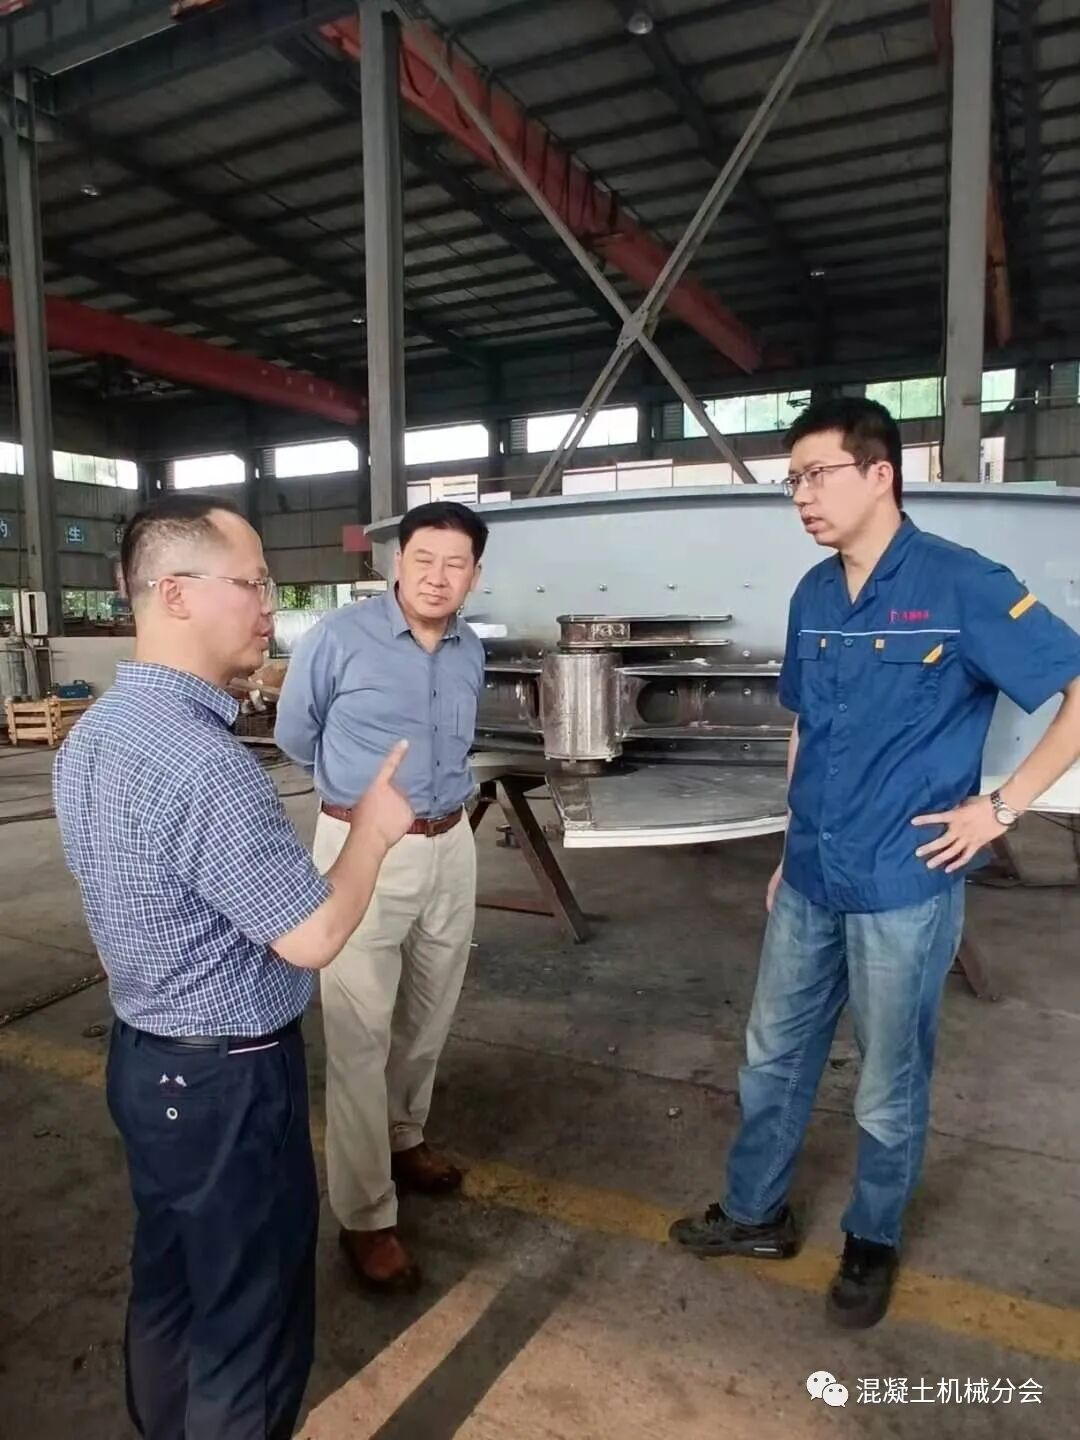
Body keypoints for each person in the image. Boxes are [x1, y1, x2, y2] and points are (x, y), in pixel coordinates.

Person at [670, 397, 1080, 1328]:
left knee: (888, 1080)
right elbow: (806, 727)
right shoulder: (814, 595)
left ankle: (872, 1238)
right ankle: (754, 1213)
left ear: (881, 473)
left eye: (816, 475)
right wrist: (789, 844)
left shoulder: (962, 583)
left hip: (903, 880)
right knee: (772, 1057)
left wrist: (1001, 809)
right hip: (812, 875)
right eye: (792, 482)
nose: (801, 497)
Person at [54, 494, 414, 1440]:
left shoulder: (94, 733)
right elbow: (312, 936)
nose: (269, 606)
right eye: (253, 584)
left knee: (172, 1281)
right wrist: (373, 832)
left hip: (145, 1059)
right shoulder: (206, 764)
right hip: (228, 1079)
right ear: (174, 593)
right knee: (247, 1321)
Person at [275, 499, 488, 1294]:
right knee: (359, 1032)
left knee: (430, 1010)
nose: (437, 576)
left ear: (474, 575)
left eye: (455, 564)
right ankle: (366, 1216)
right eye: (423, 559)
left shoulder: (471, 648)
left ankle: (405, 1135)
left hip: (452, 842)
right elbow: (296, 736)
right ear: (397, 563)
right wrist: (358, 805)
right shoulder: (338, 638)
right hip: (360, 849)